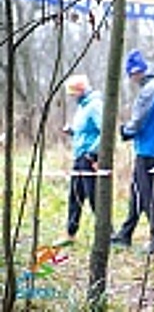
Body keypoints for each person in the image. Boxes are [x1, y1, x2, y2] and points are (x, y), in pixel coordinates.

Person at [111, 49, 154, 254]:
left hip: (149, 148)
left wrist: (126, 131)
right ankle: (125, 234)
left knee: (147, 194)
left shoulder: (150, 89)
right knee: (138, 191)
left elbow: (139, 119)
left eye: (131, 75)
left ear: (137, 71)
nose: (131, 79)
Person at [59, 74, 103, 245]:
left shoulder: (95, 105)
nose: (71, 97)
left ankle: (106, 233)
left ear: (81, 91)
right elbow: (84, 131)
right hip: (78, 157)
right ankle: (70, 233)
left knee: (94, 198)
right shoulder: (82, 106)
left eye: (72, 93)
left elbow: (104, 132)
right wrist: (72, 131)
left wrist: (93, 154)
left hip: (90, 159)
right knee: (75, 196)